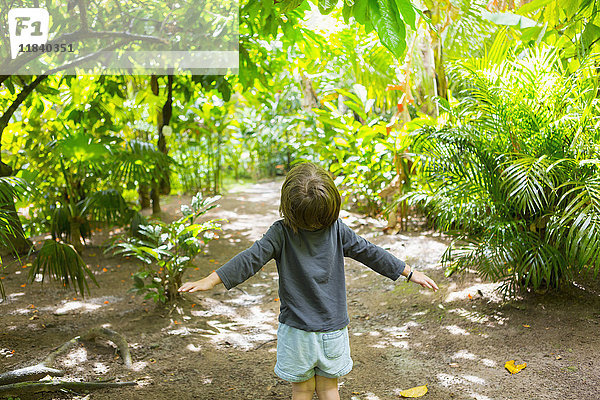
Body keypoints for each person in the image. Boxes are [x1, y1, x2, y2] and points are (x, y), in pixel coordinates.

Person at [178, 162, 439, 400]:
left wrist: (212, 280)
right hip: (332, 330)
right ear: (331, 205)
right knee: (329, 388)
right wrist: (408, 272)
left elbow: (250, 259)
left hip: (296, 333)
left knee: (301, 390)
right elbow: (371, 252)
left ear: (288, 205)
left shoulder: (281, 233)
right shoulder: (337, 229)